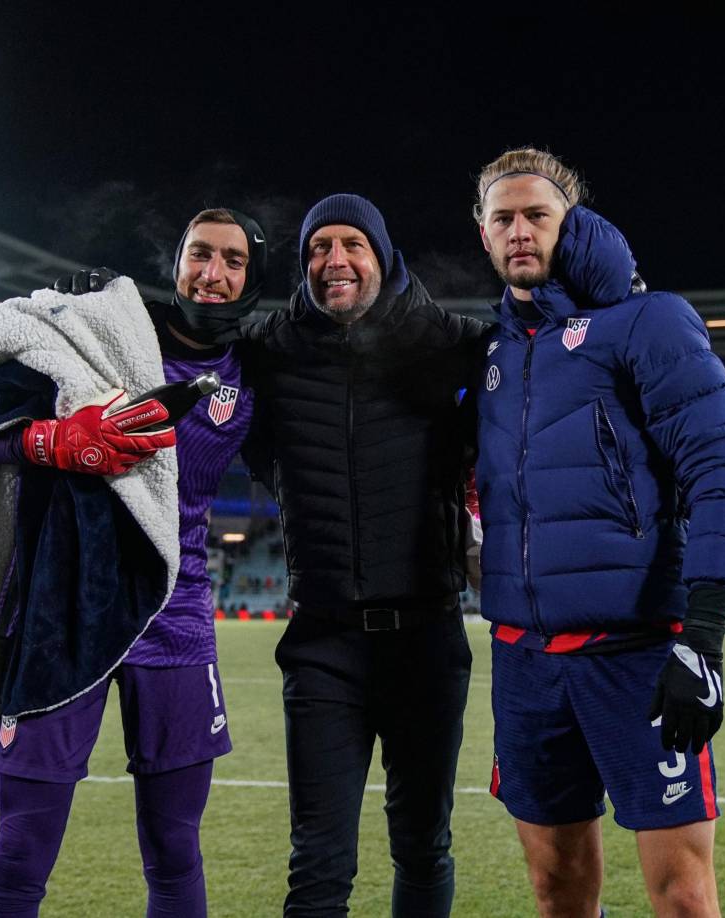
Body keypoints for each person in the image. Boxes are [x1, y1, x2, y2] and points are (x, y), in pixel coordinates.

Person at [472, 148, 725, 917]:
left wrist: (705, 636)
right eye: (502, 218)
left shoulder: (647, 322)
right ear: (483, 232)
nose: (519, 231)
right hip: (523, 662)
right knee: (556, 889)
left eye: (537, 215)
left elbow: (718, 464)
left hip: (635, 655)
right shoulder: (489, 353)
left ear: (572, 222)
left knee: (682, 896)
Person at [0, 207, 266, 917]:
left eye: (233, 260)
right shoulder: (100, 333)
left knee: (175, 851)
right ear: (175, 263)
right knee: (19, 852)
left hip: (177, 621)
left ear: (253, 278)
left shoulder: (257, 372)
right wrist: (48, 441)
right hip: (66, 610)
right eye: (199, 254)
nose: (212, 273)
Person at [239, 193, 486, 916]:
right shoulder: (271, 348)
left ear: (383, 255)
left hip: (427, 639)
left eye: (352, 244)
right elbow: (222, 401)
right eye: (319, 247)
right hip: (323, 642)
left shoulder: (450, 341)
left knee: (423, 845)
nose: (334, 260)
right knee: (317, 862)